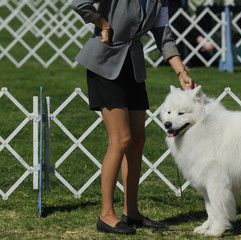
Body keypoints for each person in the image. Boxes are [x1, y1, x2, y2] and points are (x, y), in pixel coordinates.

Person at [71, 0, 196, 235]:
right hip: (105, 65)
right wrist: (102, 24)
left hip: (133, 66)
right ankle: (106, 215)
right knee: (121, 138)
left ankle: (132, 212)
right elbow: (79, 3)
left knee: (138, 138)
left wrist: (181, 71)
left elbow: (163, 34)